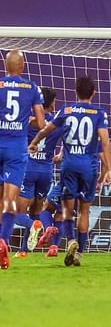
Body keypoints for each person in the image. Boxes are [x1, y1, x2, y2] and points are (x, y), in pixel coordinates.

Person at [29, 76, 111, 267]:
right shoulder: (99, 113)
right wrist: (109, 168)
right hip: (89, 167)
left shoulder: (66, 110)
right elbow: (105, 141)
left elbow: (46, 129)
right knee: (84, 210)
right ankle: (79, 253)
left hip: (69, 166)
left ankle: (70, 240)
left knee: (66, 209)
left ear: (76, 91)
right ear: (93, 93)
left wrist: (34, 143)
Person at [0, 49, 45, 269]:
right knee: (9, 200)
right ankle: (3, 242)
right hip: (17, 149)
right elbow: (41, 121)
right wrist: (21, 121)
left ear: (5, 66)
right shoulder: (32, 88)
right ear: (23, 66)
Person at [15, 87, 62, 258]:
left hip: (27, 170)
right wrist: (61, 155)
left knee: (17, 212)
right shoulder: (57, 123)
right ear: (52, 104)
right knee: (36, 209)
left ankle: (36, 224)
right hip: (46, 171)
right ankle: (23, 250)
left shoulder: (28, 121)